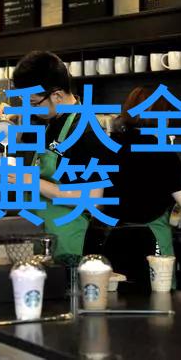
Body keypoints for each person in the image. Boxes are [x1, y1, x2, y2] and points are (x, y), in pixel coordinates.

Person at [99, 86, 181, 289]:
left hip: (113, 242)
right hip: (152, 244)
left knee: (117, 301)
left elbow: (98, 202)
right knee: (159, 303)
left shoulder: (108, 146)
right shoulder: (162, 153)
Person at [10, 51, 110, 259]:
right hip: (41, 239)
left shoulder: (86, 131)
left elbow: (93, 199)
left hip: (68, 246)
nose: (28, 108)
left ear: (56, 95)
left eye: (33, 103)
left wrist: (32, 182)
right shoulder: (51, 123)